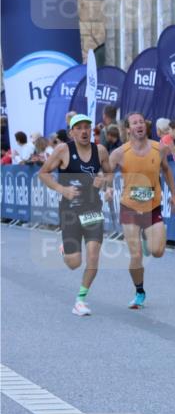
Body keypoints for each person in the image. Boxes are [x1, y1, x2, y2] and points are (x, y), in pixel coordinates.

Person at [37, 114, 113, 316]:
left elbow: (109, 172)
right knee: (74, 263)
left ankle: (80, 300)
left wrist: (106, 185)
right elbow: (43, 173)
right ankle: (66, 249)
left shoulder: (101, 151)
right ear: (71, 132)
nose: (84, 131)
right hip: (69, 210)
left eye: (87, 127)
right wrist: (62, 189)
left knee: (94, 257)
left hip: (92, 209)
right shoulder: (63, 150)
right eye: (78, 128)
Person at [108, 112, 175, 309]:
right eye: (134, 123)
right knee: (136, 256)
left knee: (157, 251)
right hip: (129, 208)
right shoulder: (120, 153)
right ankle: (139, 290)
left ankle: (150, 239)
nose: (139, 125)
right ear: (128, 129)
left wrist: (174, 194)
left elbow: (166, 170)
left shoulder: (159, 149)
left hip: (152, 205)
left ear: (145, 127)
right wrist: (107, 187)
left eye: (141, 122)